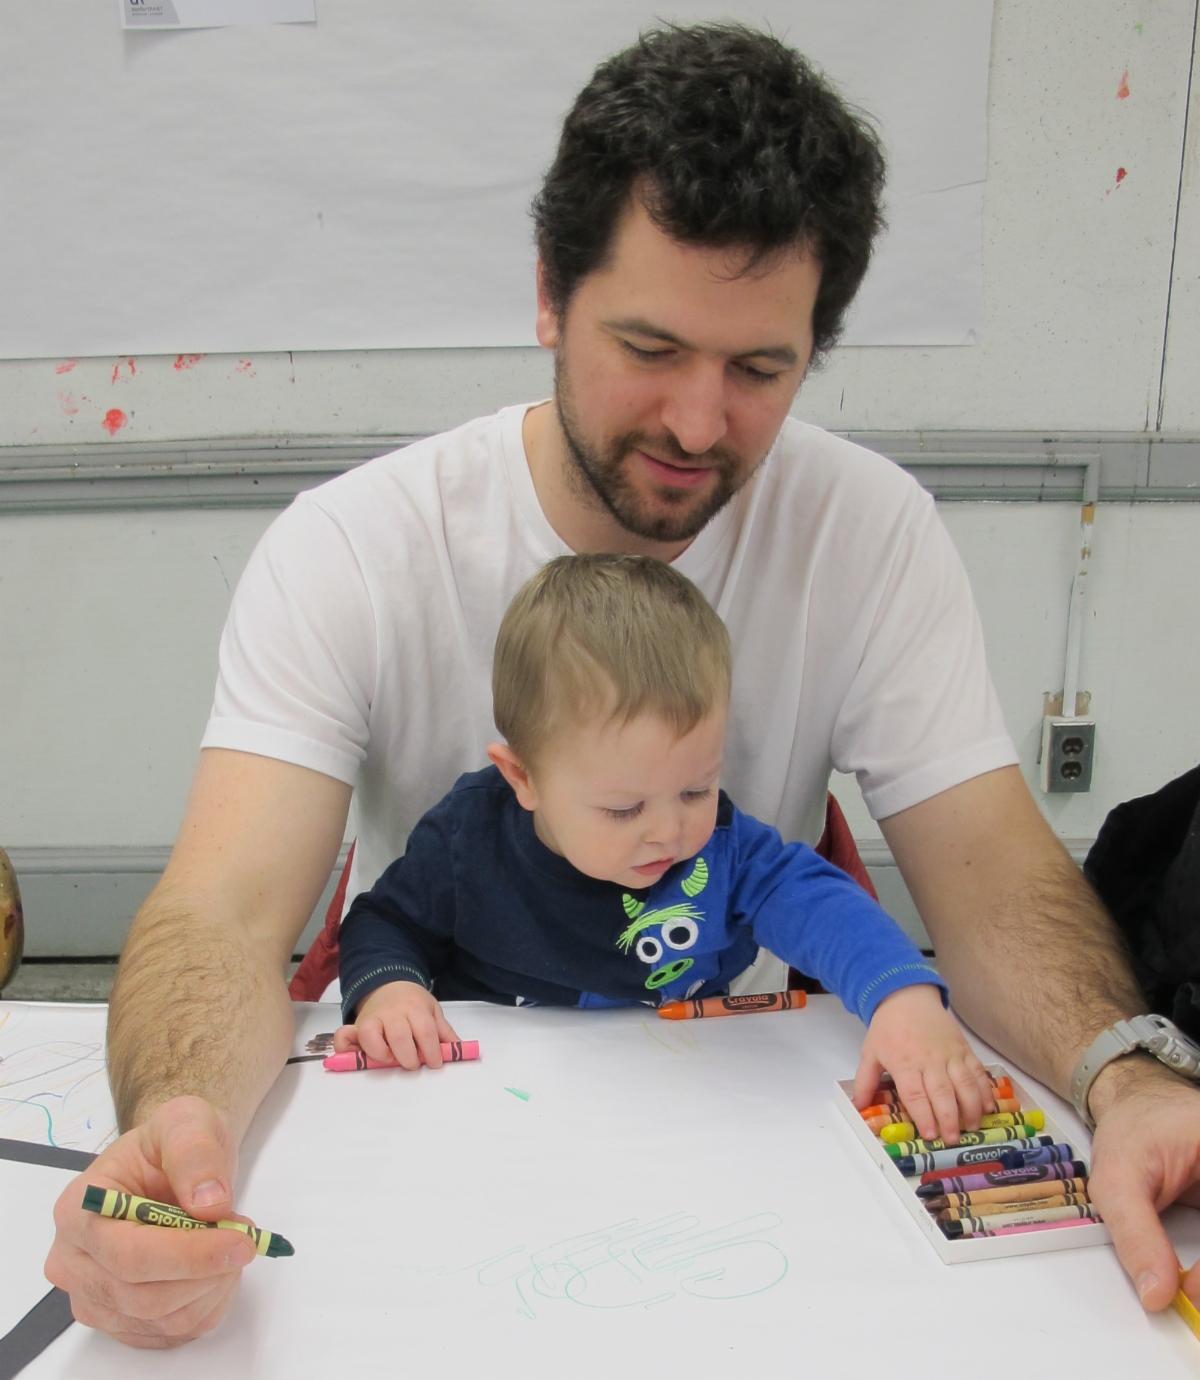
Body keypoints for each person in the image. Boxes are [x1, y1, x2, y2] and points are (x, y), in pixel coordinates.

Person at [45, 21, 1200, 1349]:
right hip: (448, 1134)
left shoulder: (869, 532)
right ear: (549, 294)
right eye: (650, 347)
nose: (700, 424)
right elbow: (227, 914)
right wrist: (177, 1121)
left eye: (760, 369)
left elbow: (993, 884)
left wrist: (1127, 1078)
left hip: (733, 1131)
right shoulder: (354, 547)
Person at [335, 553, 995, 1142]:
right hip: (500, 1105)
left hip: (685, 1102)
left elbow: (816, 903)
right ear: (524, 778)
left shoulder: (723, 850)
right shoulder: (469, 839)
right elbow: (385, 921)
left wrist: (901, 997)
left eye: (695, 790)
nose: (669, 832)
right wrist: (389, 990)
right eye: (624, 809)